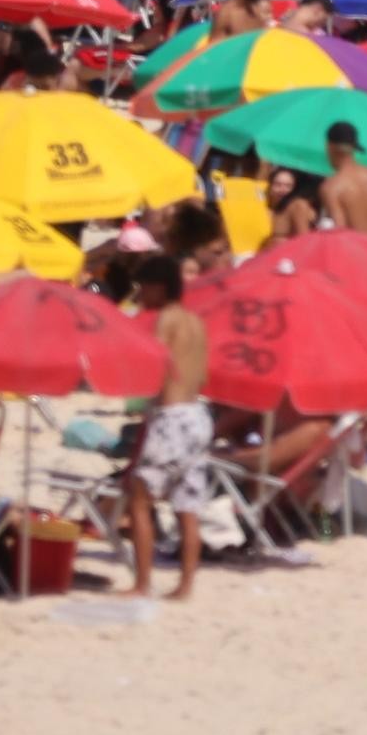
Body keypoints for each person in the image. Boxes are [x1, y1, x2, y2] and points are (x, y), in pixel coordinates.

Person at [123, 251, 227, 602]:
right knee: (187, 506)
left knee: (138, 497)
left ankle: (142, 583)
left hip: (172, 418)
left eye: (144, 288)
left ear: (158, 287)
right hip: (198, 417)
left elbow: (152, 361)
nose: (141, 295)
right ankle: (185, 586)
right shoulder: (197, 323)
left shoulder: (166, 319)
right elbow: (201, 372)